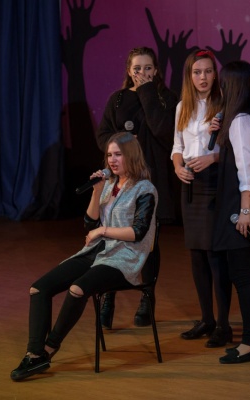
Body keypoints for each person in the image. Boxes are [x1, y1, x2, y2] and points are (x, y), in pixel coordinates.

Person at [10, 132, 157, 381]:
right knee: (39, 288)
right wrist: (96, 192)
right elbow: (90, 223)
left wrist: (103, 230)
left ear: (131, 156)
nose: (112, 160)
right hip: (96, 251)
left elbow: (138, 232)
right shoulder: (107, 184)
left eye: (118, 154)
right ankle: (34, 354)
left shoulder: (145, 189)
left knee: (77, 289)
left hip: (124, 257)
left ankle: (48, 349)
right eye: (109, 155)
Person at [96, 47, 178, 328]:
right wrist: (122, 146)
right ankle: (108, 297)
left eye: (148, 68)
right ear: (129, 71)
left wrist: (146, 92)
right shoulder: (117, 99)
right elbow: (103, 135)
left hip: (151, 180)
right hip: (121, 181)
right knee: (113, 239)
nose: (142, 73)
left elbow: (163, 131)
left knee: (149, 241)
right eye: (137, 68)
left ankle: (147, 297)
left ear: (156, 70)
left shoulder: (166, 98)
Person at [208, 60, 250, 363]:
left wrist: (245, 210)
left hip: (240, 206)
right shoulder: (244, 118)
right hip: (242, 204)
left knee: (244, 276)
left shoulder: (242, 121)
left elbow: (247, 170)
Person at [171, 49, 232, 348]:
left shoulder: (224, 103)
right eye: (197, 72)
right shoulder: (183, 106)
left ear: (215, 74)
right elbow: (177, 145)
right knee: (196, 255)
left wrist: (213, 158)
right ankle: (206, 319)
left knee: (214, 255)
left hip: (214, 182)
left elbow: (236, 148)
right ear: (189, 76)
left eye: (208, 71)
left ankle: (223, 324)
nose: (203, 77)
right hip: (190, 184)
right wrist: (177, 167)